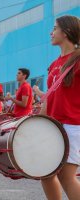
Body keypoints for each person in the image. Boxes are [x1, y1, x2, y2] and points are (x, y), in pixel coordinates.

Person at [37, 15, 80, 200]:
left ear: (67, 31)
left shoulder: (78, 60)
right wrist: (38, 122)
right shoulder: (54, 64)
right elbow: (50, 97)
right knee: (46, 174)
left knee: (66, 176)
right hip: (53, 126)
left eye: (55, 28)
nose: (51, 32)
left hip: (72, 125)